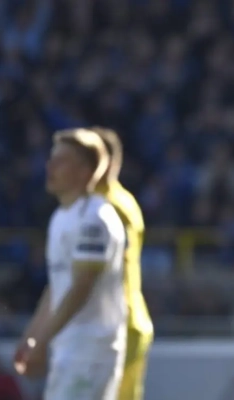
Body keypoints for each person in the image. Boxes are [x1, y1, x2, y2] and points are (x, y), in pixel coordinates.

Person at [14, 128, 127, 400]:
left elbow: (81, 287)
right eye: (51, 159)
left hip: (91, 348)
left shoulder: (94, 219)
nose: (50, 167)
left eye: (61, 161)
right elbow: (58, 287)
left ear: (85, 171)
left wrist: (43, 340)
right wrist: (32, 336)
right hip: (70, 346)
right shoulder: (61, 217)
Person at [90, 126, 154, 400]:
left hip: (115, 325)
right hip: (124, 321)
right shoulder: (122, 200)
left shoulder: (107, 207)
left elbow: (99, 270)